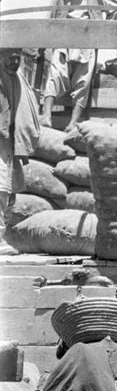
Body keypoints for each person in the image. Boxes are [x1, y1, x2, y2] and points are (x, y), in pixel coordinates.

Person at [40, 0, 116, 131]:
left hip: (86, 42)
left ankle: (73, 122)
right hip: (64, 40)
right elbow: (48, 20)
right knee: (56, 75)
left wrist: (104, 27)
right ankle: (46, 116)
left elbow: (114, 11)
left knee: (83, 81)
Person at [0, 48, 40, 255]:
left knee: (9, 192)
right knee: (0, 191)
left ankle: (2, 236)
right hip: (1, 144)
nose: (13, 62)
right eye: (9, 58)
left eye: (17, 58)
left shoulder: (16, 80)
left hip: (10, 146)